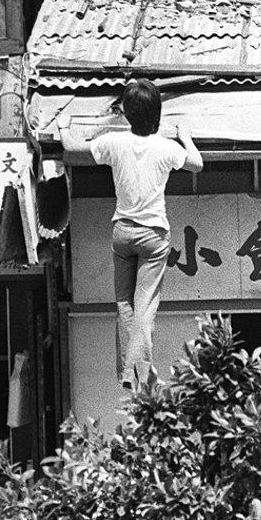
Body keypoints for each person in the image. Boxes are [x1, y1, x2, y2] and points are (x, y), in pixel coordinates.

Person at [87, 78, 203, 389]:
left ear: (125, 112)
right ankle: (136, 373)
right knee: (145, 306)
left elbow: (76, 147)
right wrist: (185, 137)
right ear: (157, 113)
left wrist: (65, 130)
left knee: (124, 302)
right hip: (153, 234)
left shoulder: (113, 141)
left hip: (123, 231)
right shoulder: (165, 147)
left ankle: (130, 373)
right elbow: (197, 163)